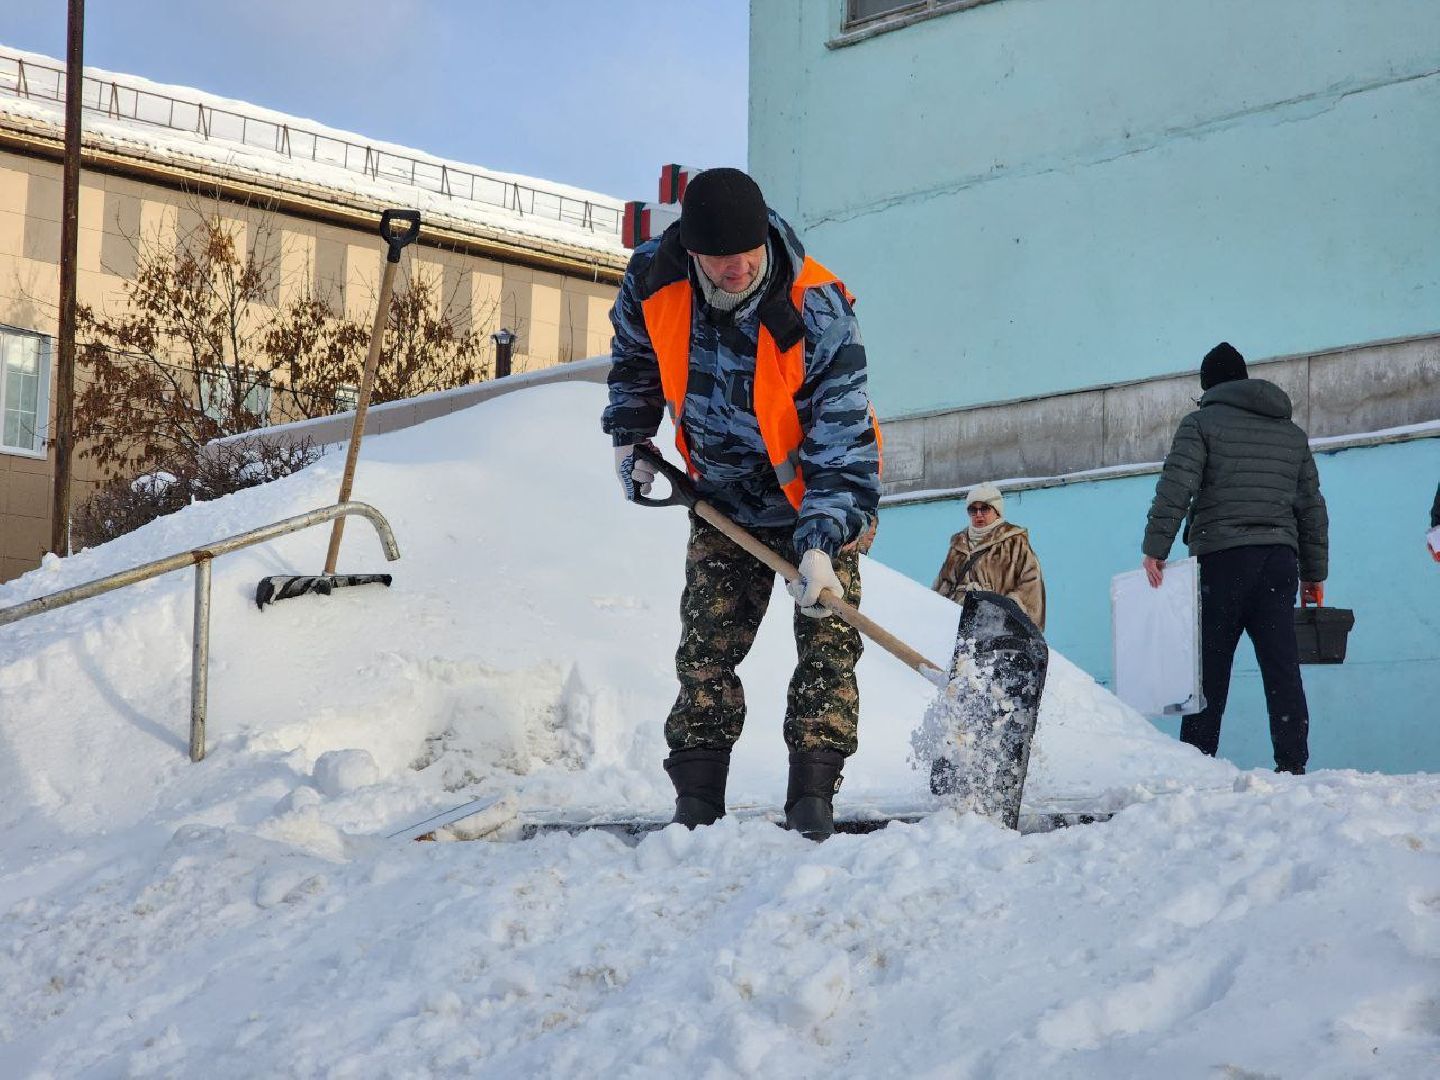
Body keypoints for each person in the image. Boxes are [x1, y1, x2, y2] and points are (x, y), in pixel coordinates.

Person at [602, 168, 882, 840]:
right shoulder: (652, 279)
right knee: (705, 645)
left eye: (748, 254)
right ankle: (697, 805)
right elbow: (635, 359)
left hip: (817, 495)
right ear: (693, 252)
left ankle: (812, 802)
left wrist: (819, 542)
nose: (738, 267)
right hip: (720, 500)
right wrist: (630, 435)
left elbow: (842, 442)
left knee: (827, 639)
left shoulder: (816, 308)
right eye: (721, 258)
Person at [1141, 342, 1328, 774]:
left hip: (1222, 559)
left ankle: (1198, 763)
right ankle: (1293, 764)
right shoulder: (1290, 433)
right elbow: (1311, 506)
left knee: (1209, 669)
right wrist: (1314, 573)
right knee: (1281, 665)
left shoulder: (1201, 424)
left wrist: (1156, 549)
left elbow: (1176, 488)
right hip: (1279, 561)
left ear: (1208, 385)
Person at [932, 482, 1046, 630]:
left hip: (999, 628)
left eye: (984, 508)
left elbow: (1031, 584)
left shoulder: (1014, 542)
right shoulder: (958, 545)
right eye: (973, 510)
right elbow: (943, 585)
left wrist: (1001, 608)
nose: (978, 514)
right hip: (961, 627)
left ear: (997, 511)